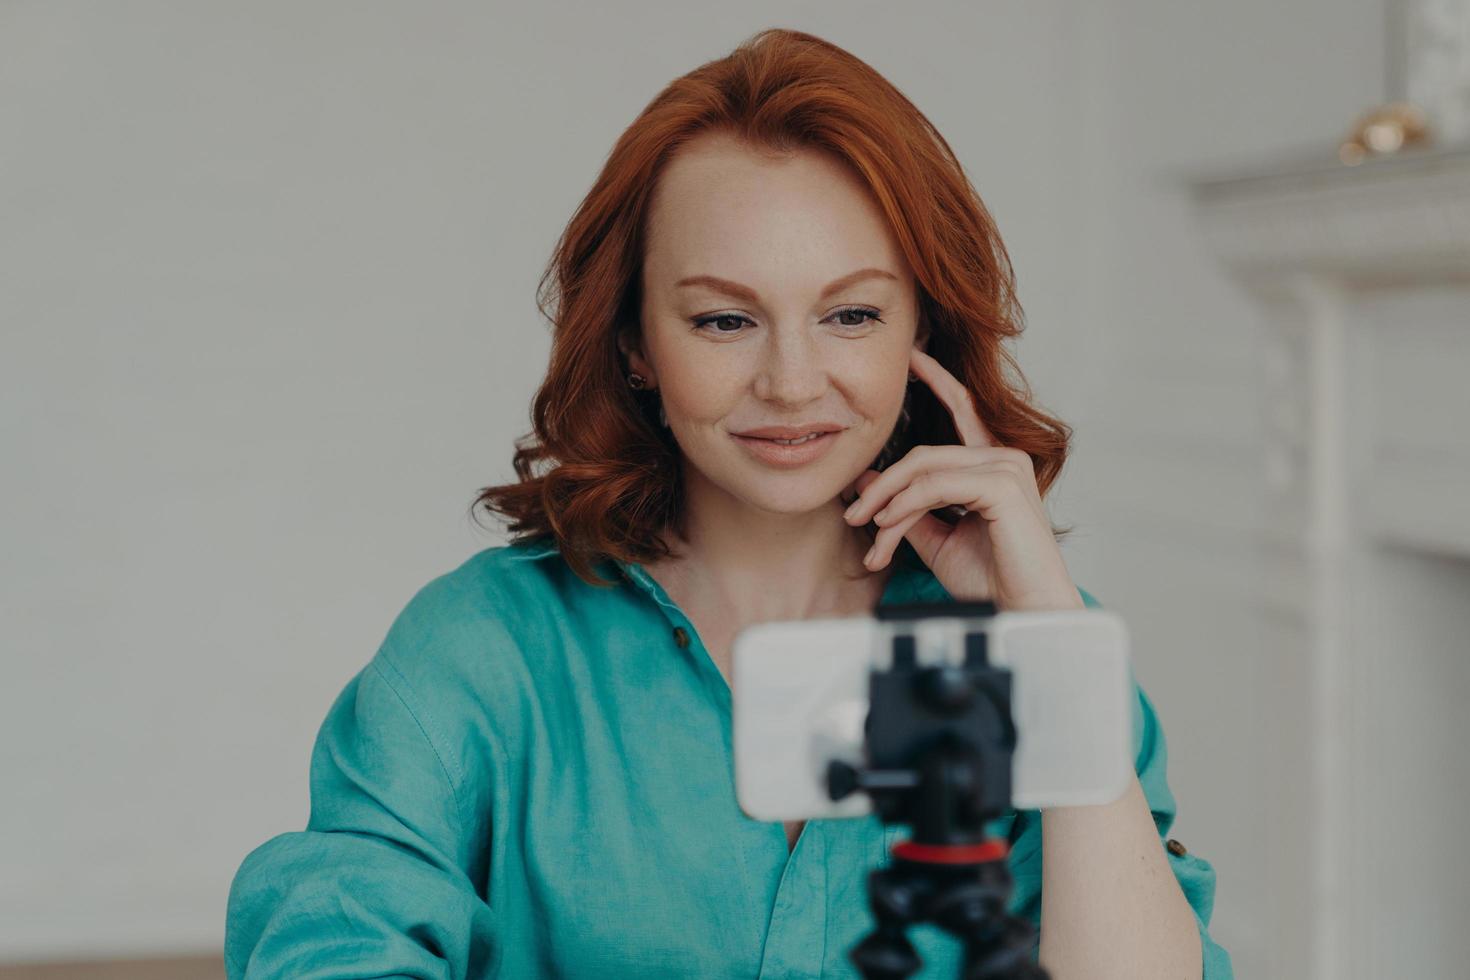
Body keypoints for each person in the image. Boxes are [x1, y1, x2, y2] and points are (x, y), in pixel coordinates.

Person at [224, 27, 1233, 980]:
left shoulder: (1041, 644)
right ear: (634, 344)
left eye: (851, 313)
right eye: (723, 318)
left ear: (920, 329)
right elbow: (331, 934)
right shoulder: (486, 647)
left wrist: (1050, 635)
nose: (793, 382)